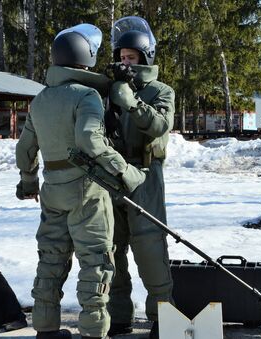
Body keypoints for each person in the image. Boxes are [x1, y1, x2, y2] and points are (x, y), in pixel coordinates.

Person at [15, 23, 146, 339]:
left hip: (52, 190)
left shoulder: (42, 98)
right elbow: (90, 140)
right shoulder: (87, 95)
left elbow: (25, 148)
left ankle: (46, 328)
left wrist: (28, 182)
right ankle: (92, 331)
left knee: (51, 259)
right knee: (95, 263)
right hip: (86, 190)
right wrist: (127, 173)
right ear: (86, 56)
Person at [104, 16, 175, 339]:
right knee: (112, 247)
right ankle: (119, 315)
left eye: (131, 58)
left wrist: (130, 100)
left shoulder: (160, 91)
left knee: (149, 247)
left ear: (145, 58)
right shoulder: (109, 88)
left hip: (146, 175)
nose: (124, 63)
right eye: (121, 57)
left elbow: (159, 126)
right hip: (112, 173)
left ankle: (162, 315)